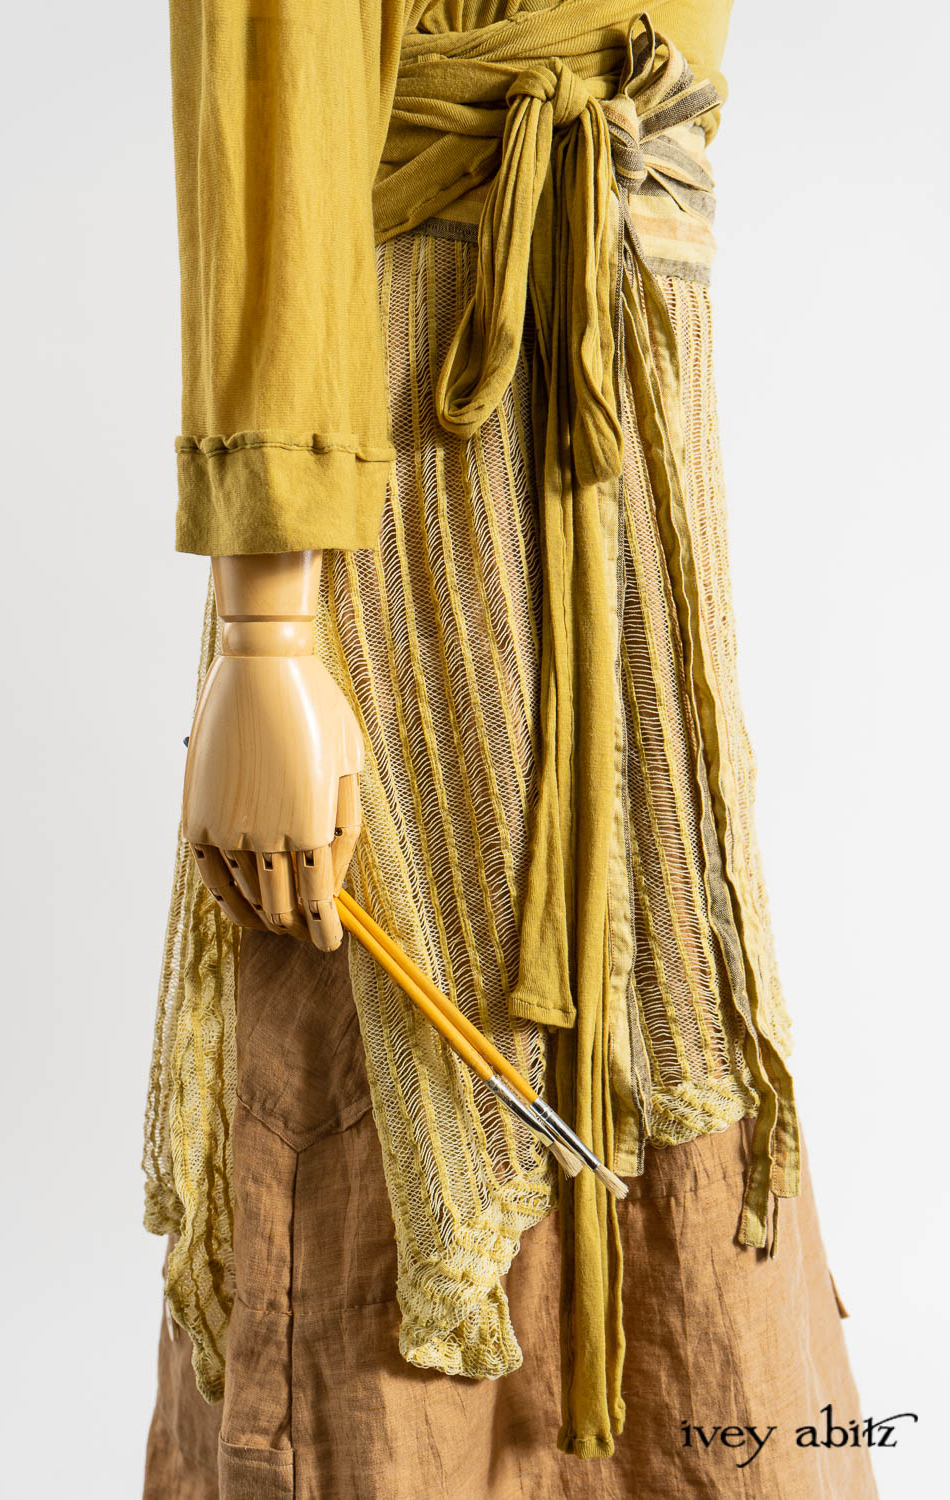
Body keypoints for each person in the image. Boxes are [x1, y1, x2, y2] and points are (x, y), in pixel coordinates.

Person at [142, 3, 879, 1495]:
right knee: (394, 1096)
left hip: (635, 434)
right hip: (424, 463)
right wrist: (265, 628)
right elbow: (272, 67)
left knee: (671, 1039)